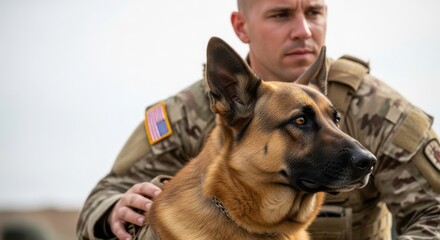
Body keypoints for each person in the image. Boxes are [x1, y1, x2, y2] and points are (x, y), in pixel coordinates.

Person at [76, 0, 440, 239]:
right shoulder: (190, 111)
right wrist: (112, 212)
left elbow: (434, 212)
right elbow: (106, 192)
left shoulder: (377, 110)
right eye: (281, 14)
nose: (304, 31)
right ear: (241, 27)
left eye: (314, 12)